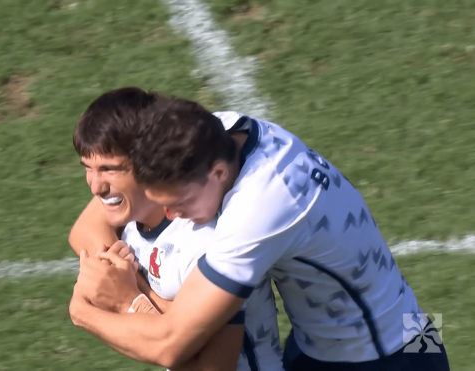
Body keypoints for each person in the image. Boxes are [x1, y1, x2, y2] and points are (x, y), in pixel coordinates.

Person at [69, 89, 450, 371]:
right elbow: (95, 219)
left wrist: (100, 306)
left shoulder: (258, 210)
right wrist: (118, 272)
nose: (171, 213)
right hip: (330, 340)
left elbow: (173, 344)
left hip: (389, 355)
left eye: (179, 203)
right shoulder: (210, 134)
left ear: (217, 174)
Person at [69, 87, 284, 370]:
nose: (96, 186)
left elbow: (210, 366)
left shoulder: (206, 243)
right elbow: (83, 230)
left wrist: (122, 301)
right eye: (89, 168)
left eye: (110, 169)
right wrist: (115, 270)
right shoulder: (131, 209)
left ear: (147, 161)